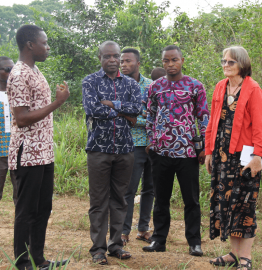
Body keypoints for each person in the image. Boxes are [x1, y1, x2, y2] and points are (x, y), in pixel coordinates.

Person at [7, 25, 70, 270]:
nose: (48, 47)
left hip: (43, 152)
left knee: (43, 208)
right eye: (44, 43)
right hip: (27, 153)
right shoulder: (19, 74)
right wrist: (57, 102)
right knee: (26, 211)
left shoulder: (36, 70)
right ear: (30, 45)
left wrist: (55, 100)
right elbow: (21, 118)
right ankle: (23, 263)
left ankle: (38, 259)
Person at [142, 45, 209, 256]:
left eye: (174, 60)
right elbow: (150, 115)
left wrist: (203, 146)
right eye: (166, 61)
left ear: (182, 60)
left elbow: (203, 117)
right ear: (162, 62)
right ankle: (158, 240)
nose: (170, 64)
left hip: (187, 153)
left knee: (191, 200)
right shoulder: (155, 87)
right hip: (161, 152)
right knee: (160, 199)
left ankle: (194, 242)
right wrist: (151, 141)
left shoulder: (195, 86)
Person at [206, 46, 262, 270]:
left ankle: (245, 257)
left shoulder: (253, 89)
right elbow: (213, 122)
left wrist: (258, 155)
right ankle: (233, 253)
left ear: (242, 64)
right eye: (223, 61)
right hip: (221, 157)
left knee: (244, 207)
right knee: (226, 205)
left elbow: (260, 126)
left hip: (244, 159)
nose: (225, 65)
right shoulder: (220, 87)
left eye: (230, 62)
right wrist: (209, 151)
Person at [82, 41, 141, 265]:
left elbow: (137, 108)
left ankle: (116, 245)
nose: (112, 60)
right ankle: (98, 249)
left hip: (125, 149)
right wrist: (122, 109)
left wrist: (111, 103)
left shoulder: (130, 83)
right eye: (107, 56)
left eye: (116, 56)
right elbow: (92, 109)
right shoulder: (90, 81)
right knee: (98, 201)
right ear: (100, 58)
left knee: (120, 199)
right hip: (99, 149)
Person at [120, 48, 154, 245]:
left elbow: (152, 116)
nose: (124, 64)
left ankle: (143, 228)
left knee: (149, 189)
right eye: (122, 61)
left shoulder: (151, 86)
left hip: (151, 144)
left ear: (138, 63)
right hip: (131, 144)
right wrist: (133, 117)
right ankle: (124, 231)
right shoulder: (118, 85)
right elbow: (118, 113)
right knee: (129, 189)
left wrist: (133, 118)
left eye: (128, 61)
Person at [0, 57, 17, 206]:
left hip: (17, 151)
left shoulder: (18, 94)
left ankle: (24, 228)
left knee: (21, 194)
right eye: (8, 70)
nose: (12, 73)